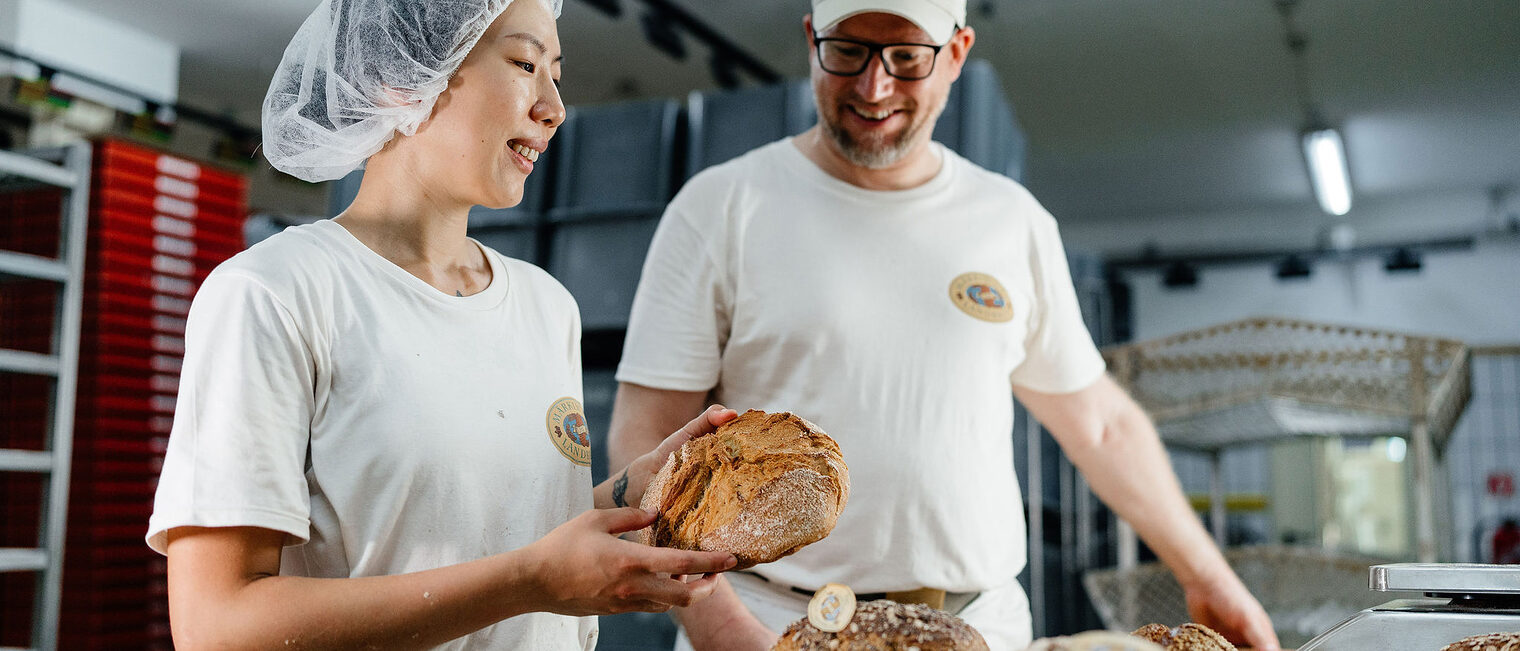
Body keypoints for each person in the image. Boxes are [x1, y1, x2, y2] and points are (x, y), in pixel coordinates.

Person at [606, 0, 1283, 649]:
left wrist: (1211, 578)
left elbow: (1103, 426)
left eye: (907, 56)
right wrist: (723, 632)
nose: (875, 85)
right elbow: (642, 439)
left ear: (956, 53)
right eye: (848, 51)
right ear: (813, 40)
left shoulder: (1010, 221)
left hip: (980, 627)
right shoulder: (723, 207)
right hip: (770, 619)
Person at [145, 1, 740, 648]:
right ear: (401, 78)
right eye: (524, 63)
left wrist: (635, 487)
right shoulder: (277, 294)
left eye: (557, 75)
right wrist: (528, 580)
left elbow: (495, 536)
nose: (554, 107)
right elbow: (216, 626)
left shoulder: (547, 306)